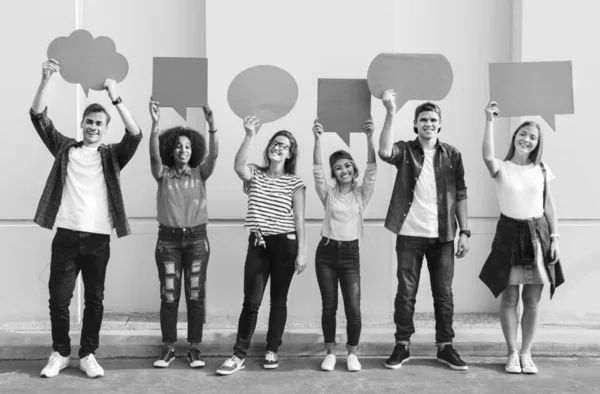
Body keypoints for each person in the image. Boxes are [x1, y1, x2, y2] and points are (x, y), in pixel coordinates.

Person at [31, 59, 142, 378]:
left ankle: (88, 354)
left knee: (94, 299)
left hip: (97, 239)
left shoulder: (111, 156)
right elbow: (38, 117)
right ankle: (60, 353)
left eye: (99, 124)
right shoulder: (65, 149)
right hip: (66, 235)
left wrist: (115, 97)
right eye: (89, 122)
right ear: (82, 124)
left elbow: (135, 135)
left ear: (105, 129)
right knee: (59, 298)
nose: (93, 127)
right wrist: (45, 80)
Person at [378, 90, 470, 371]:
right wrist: (391, 112)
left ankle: (445, 347)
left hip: (443, 236)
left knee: (443, 294)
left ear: (439, 124)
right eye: (423, 120)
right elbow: (384, 151)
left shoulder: (452, 154)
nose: (428, 124)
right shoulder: (405, 150)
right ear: (415, 124)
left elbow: (462, 194)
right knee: (405, 293)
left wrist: (464, 231)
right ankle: (402, 346)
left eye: (432, 119)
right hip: (409, 234)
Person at [216, 116, 307, 375]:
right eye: (275, 143)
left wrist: (302, 252)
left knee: (279, 300)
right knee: (251, 301)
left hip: (285, 245)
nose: (278, 148)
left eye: (284, 146)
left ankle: (272, 349)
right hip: (258, 244)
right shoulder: (254, 173)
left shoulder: (295, 182)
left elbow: (299, 220)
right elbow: (238, 166)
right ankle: (238, 354)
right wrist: (249, 135)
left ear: (290, 154)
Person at [479, 101, 565, 374]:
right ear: (515, 136)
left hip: (538, 236)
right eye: (523, 134)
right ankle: (512, 353)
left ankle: (527, 353)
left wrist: (555, 237)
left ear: (537, 143)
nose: (527, 140)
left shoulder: (541, 169)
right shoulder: (501, 168)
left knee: (532, 301)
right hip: (509, 235)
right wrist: (489, 120)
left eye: (533, 137)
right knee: (509, 299)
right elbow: (486, 155)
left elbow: (549, 205)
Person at [148, 99, 219, 368]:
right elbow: (154, 156)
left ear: (194, 151)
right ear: (171, 149)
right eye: (178, 145)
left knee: (195, 293)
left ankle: (194, 348)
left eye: (188, 146)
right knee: (169, 294)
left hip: (197, 240)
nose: (183, 149)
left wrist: (212, 126)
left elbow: (214, 157)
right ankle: (167, 348)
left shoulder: (200, 174)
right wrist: (155, 124)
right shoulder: (163, 174)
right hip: (168, 241)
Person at [311, 118, 377, 372]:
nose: (344, 170)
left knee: (353, 307)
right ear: (334, 173)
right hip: (326, 252)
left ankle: (351, 353)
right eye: (338, 167)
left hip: (350, 254)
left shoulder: (361, 194)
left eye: (347, 165)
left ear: (353, 169)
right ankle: (330, 352)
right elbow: (317, 170)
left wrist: (370, 138)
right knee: (329, 305)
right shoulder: (328, 194)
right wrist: (317, 138)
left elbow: (372, 170)